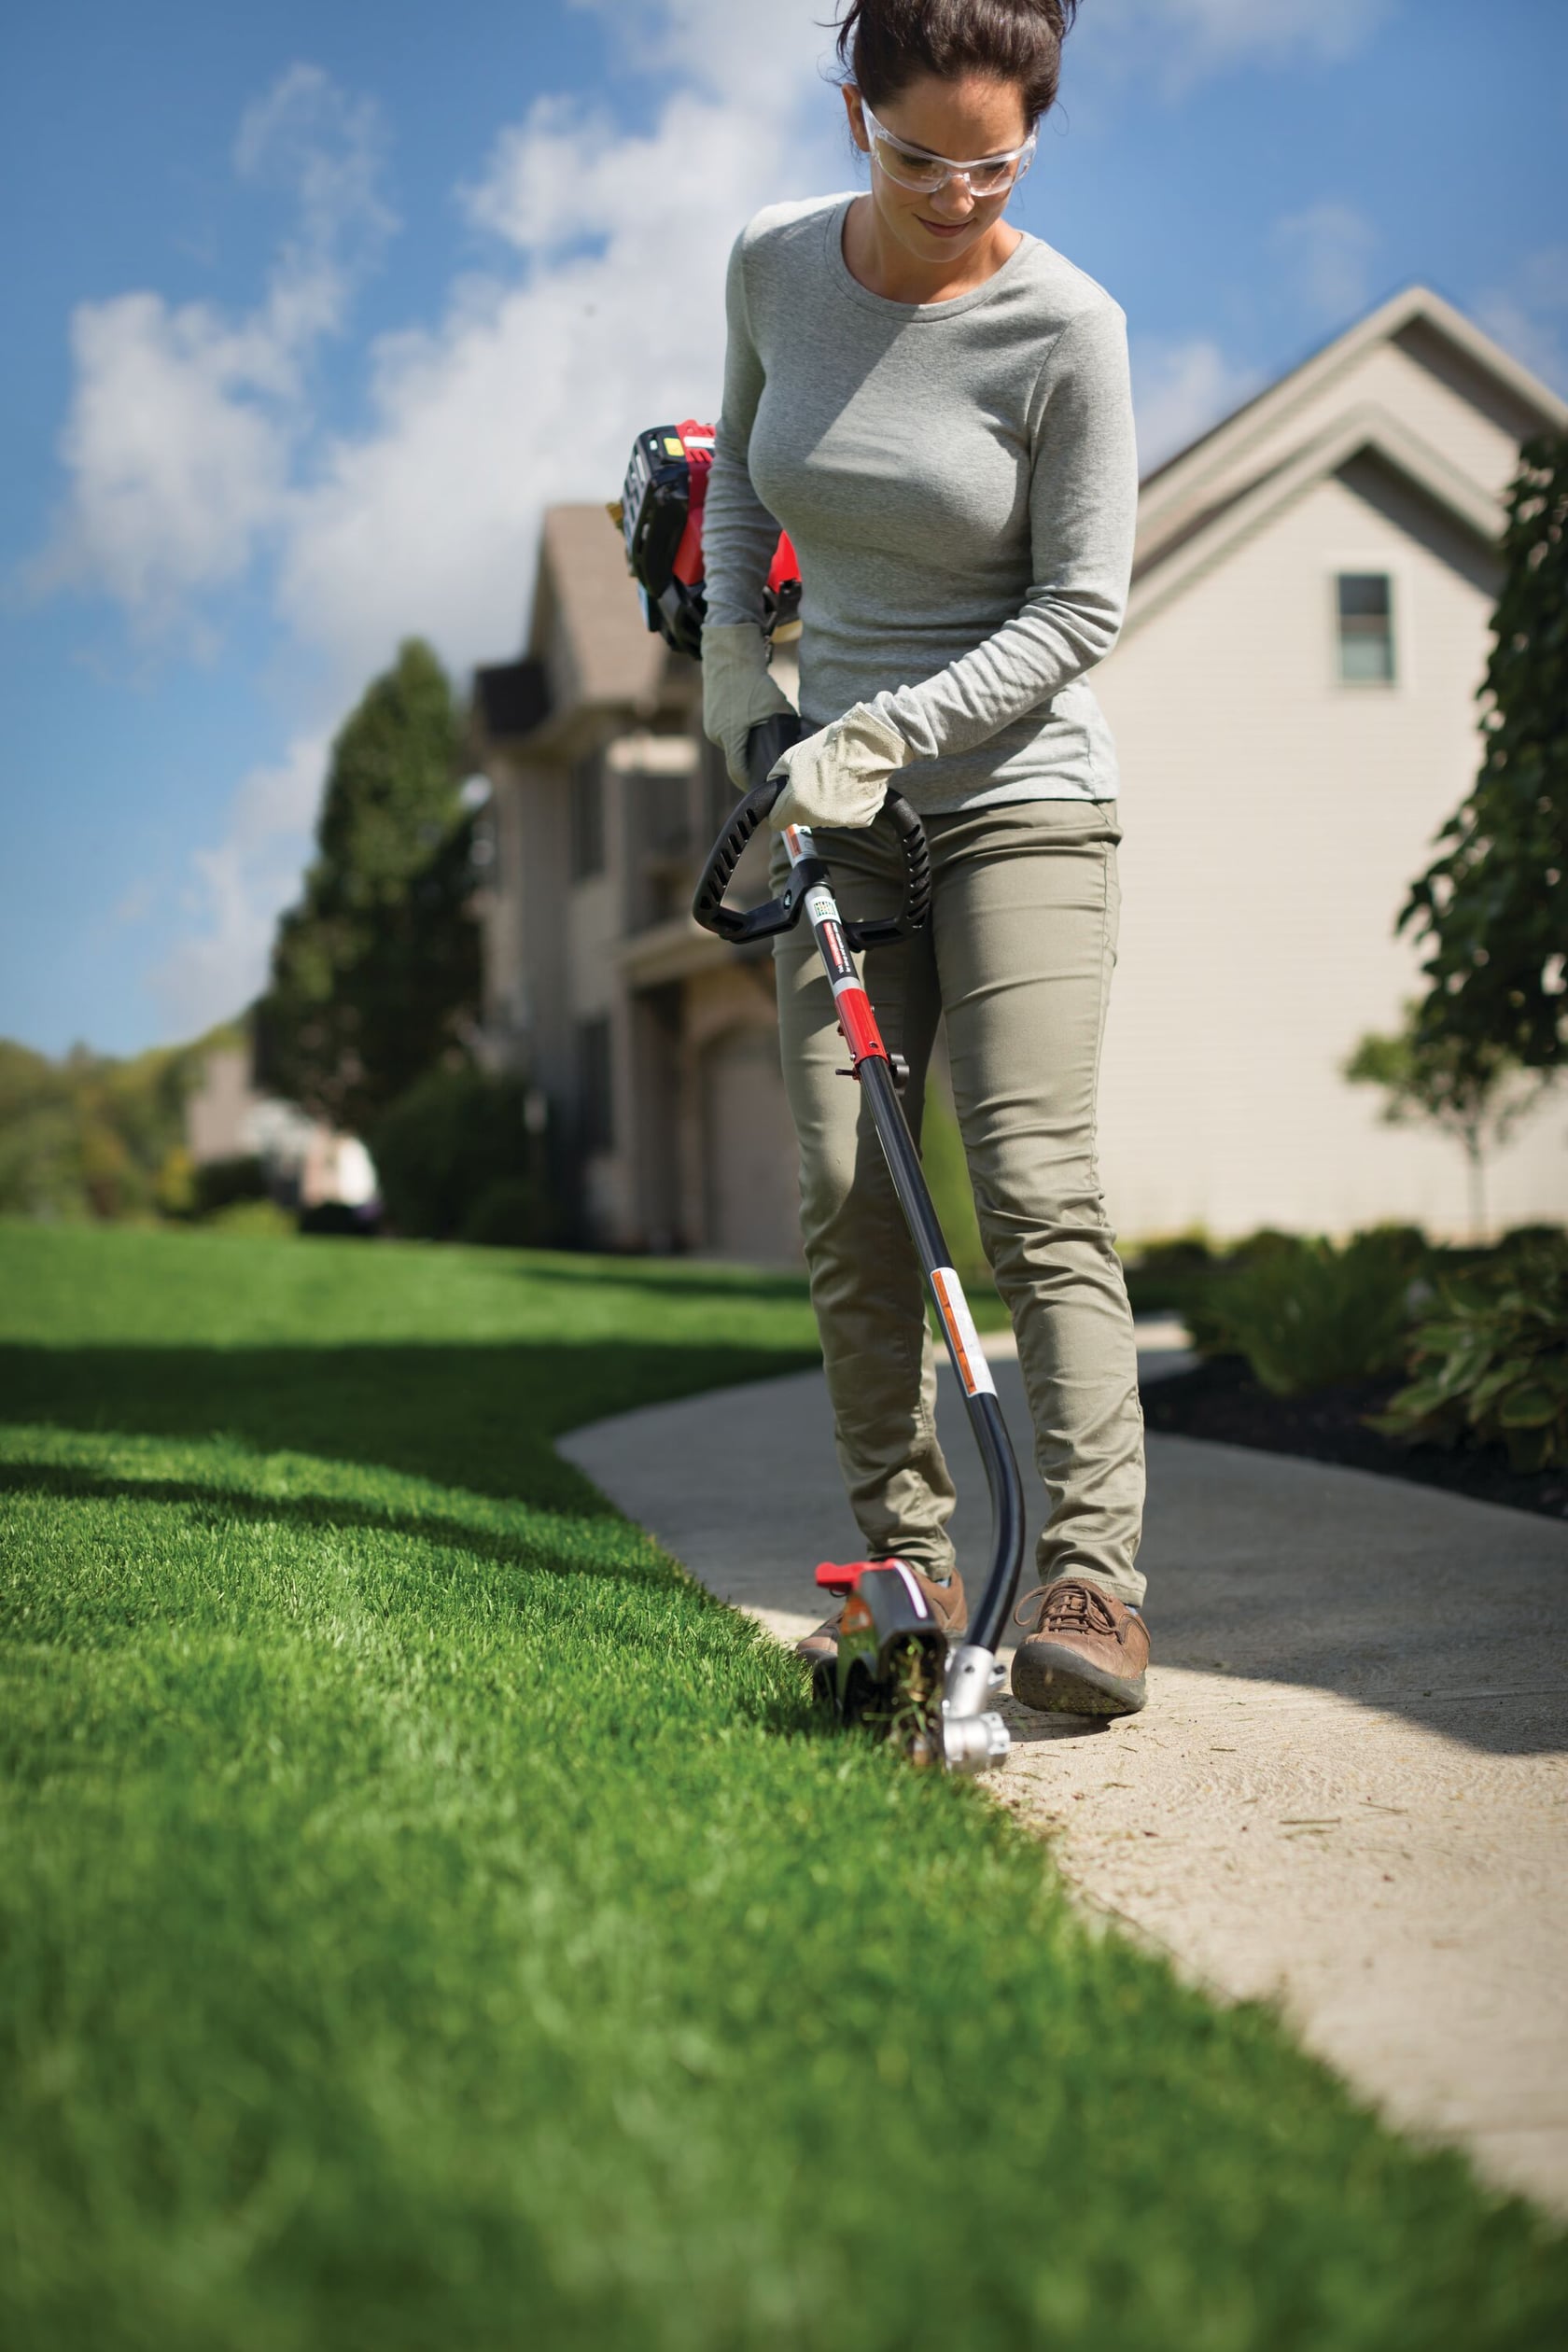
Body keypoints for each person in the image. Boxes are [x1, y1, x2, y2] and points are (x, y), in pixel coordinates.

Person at [701, 0, 1149, 1719]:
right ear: (850, 119)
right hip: (830, 799)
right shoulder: (771, 267)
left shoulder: (1068, 328)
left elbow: (1080, 609)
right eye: (918, 158)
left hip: (1019, 793)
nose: (958, 193)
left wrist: (884, 731)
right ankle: (904, 1566)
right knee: (846, 1182)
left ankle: (1095, 1585)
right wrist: (746, 676)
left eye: (997, 161)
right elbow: (743, 493)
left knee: (1035, 1186)